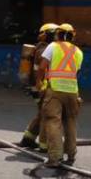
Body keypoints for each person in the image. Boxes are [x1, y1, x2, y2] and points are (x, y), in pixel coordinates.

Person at [36, 23, 84, 171]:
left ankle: (55, 158)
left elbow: (42, 66)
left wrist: (39, 83)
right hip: (72, 92)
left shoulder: (53, 46)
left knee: (53, 122)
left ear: (58, 34)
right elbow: (76, 73)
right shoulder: (78, 52)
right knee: (70, 122)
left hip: (55, 90)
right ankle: (71, 154)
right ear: (72, 36)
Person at [19, 23, 59, 151]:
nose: (58, 37)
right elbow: (40, 71)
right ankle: (44, 145)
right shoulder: (43, 50)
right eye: (56, 34)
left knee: (42, 113)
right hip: (40, 87)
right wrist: (41, 86)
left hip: (37, 87)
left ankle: (28, 138)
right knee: (46, 115)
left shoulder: (41, 48)